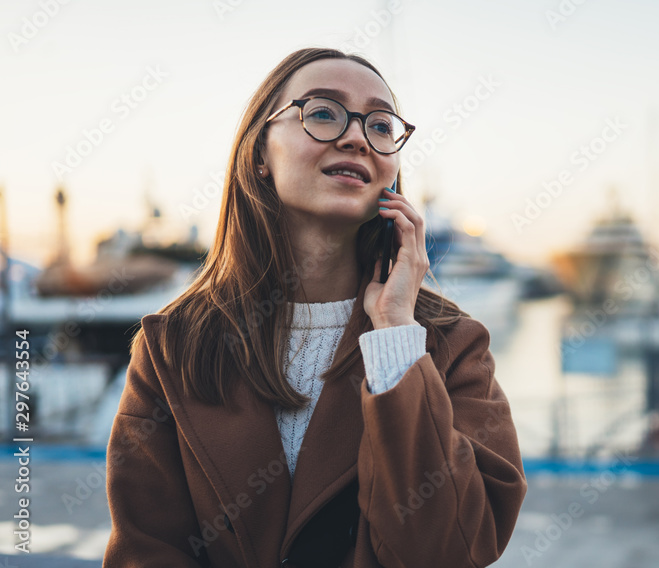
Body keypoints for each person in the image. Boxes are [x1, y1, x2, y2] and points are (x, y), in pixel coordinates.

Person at [103, 47, 528, 568]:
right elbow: (147, 552)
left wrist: (395, 333)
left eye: (379, 125)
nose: (355, 137)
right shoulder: (173, 348)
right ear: (260, 152)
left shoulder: (452, 346)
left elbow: (450, 550)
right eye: (323, 112)